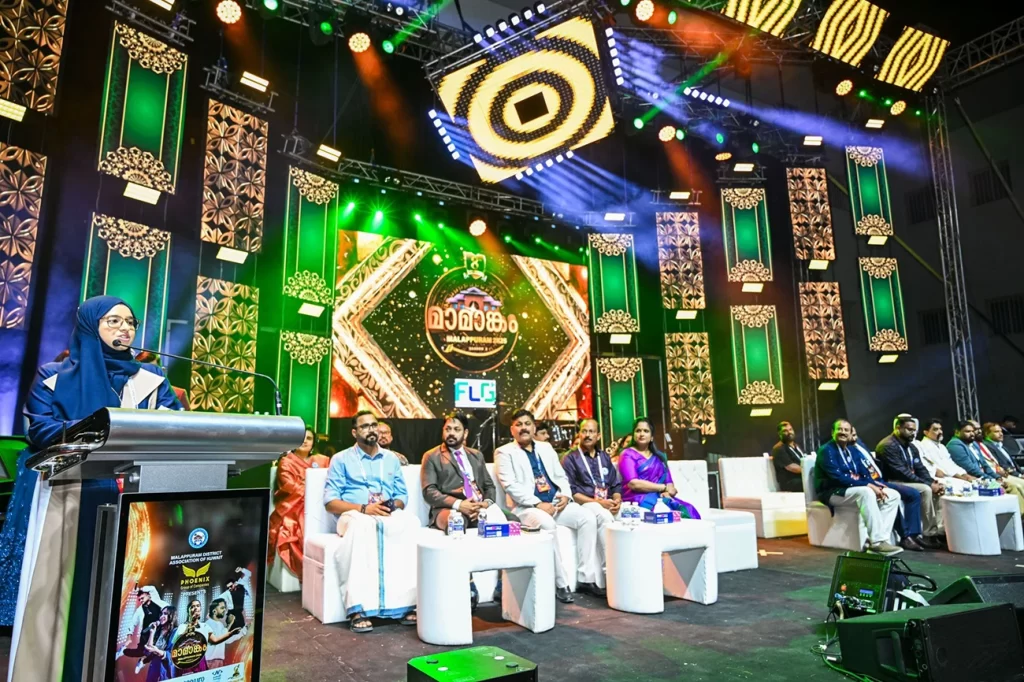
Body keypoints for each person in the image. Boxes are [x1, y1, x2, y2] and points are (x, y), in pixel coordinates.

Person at [5, 295, 183, 682]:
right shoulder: (53, 376)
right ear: (90, 325)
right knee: (66, 595)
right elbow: (40, 429)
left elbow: (177, 425)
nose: (125, 328)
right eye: (113, 321)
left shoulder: (151, 380)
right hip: (69, 497)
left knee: (124, 595)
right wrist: (106, 427)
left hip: (134, 502)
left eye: (131, 322)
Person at [323, 410, 419, 633]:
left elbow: (402, 496)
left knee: (410, 523)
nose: (371, 430)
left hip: (384, 513)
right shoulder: (341, 459)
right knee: (362, 525)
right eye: (365, 426)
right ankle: (357, 609)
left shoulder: (391, 459)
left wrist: (391, 505)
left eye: (374, 425)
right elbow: (330, 502)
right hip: (352, 515)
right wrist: (364, 508)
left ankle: (406, 605)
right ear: (354, 432)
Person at [496, 409, 603, 602]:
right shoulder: (504, 452)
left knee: (587, 518)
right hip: (526, 508)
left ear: (534, 427)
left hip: (555, 503)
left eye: (527, 424)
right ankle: (561, 584)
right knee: (547, 524)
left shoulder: (545, 448)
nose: (523, 428)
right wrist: (538, 503)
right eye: (518, 425)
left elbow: (561, 476)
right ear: (512, 430)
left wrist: (565, 496)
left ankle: (586, 579)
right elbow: (510, 485)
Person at [815, 420, 903, 555]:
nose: (843, 432)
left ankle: (879, 541)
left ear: (851, 434)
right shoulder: (826, 451)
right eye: (839, 429)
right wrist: (868, 485)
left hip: (851, 490)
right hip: (833, 492)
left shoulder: (852, 451)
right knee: (866, 492)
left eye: (846, 430)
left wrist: (875, 484)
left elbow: (864, 473)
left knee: (892, 495)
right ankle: (877, 542)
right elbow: (837, 478)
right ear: (833, 432)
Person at [561, 418, 621, 593]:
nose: (588, 435)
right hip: (585, 503)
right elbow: (572, 493)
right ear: (579, 434)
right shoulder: (570, 459)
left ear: (598, 435)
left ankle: (629, 571)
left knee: (633, 514)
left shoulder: (604, 457)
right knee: (603, 516)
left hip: (608, 502)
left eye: (591, 431)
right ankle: (610, 576)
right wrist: (600, 503)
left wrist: (617, 500)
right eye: (584, 431)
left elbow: (615, 485)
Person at [848, 426, 926, 552]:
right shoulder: (848, 450)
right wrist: (872, 483)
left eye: (855, 434)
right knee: (891, 495)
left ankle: (914, 534)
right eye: (851, 435)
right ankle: (905, 536)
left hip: (880, 480)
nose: (854, 438)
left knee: (913, 494)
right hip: (871, 482)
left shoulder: (859, 444)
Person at [268, 426, 330, 579]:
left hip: (320, 503)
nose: (305, 441)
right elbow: (289, 486)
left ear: (314, 442)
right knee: (300, 524)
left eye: (309, 438)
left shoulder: (323, 460)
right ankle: (310, 574)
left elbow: (330, 483)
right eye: (302, 438)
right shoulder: (286, 462)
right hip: (293, 505)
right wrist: (313, 489)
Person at [876, 416, 944, 548]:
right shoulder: (888, 445)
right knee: (926, 489)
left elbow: (920, 468)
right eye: (909, 430)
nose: (913, 433)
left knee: (939, 488)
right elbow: (901, 472)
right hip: (892, 481)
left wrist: (932, 482)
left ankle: (937, 530)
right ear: (898, 428)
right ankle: (927, 534)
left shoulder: (911, 447)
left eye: (914, 430)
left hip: (906, 480)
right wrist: (928, 485)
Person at [618, 417, 701, 518]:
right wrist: (663, 488)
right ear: (634, 434)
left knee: (689, 510)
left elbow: (669, 484)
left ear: (652, 437)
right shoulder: (627, 454)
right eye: (638, 431)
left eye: (646, 431)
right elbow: (633, 484)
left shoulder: (660, 457)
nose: (641, 434)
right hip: (637, 498)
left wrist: (668, 492)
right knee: (664, 511)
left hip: (659, 497)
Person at [947, 421, 1024, 512]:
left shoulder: (974, 444)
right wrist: (992, 480)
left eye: (972, 431)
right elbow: (971, 469)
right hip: (973, 479)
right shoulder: (955, 445)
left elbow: (985, 465)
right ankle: (1019, 515)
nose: (972, 434)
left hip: (985, 476)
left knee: (1013, 485)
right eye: (967, 431)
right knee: (1013, 487)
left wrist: (997, 477)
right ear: (957, 432)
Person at [115, 586, 170, 675]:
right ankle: (123, 651)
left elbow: (152, 588)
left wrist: (141, 589)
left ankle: (142, 661)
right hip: (146, 633)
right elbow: (132, 623)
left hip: (158, 632)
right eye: (139, 599)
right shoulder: (140, 610)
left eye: (142, 598)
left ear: (148, 595)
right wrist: (129, 636)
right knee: (140, 652)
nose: (141, 600)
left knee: (155, 652)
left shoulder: (156, 599)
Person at [916, 418, 975, 493]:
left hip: (950, 476)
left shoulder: (942, 446)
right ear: (926, 432)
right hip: (938, 478)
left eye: (940, 429)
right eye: (935, 429)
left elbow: (951, 464)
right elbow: (942, 469)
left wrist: (964, 474)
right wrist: (962, 477)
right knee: (964, 486)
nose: (940, 432)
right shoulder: (923, 446)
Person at [204, 598, 245, 669]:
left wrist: (243, 632)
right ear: (214, 611)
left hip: (219, 661)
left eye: (225, 608)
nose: (225, 610)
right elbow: (218, 639)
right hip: (210, 661)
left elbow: (226, 640)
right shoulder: (207, 624)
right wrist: (229, 624)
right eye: (222, 608)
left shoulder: (220, 624)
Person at [142, 606, 177, 682]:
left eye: (165, 614)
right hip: (154, 670)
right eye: (161, 614)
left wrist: (157, 651)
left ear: (171, 615)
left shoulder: (176, 632)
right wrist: (152, 632)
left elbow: (174, 655)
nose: (161, 616)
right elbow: (148, 651)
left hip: (166, 672)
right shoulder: (158, 631)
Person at [771, 421, 805, 492]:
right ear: (779, 434)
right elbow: (791, 467)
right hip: (790, 482)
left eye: (790, 429)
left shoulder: (797, 446)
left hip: (802, 478)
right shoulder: (778, 448)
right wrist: (809, 471)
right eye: (785, 431)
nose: (789, 432)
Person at [221, 566, 252, 630]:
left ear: (234, 583)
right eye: (228, 587)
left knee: (241, 629)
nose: (230, 588)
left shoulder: (241, 585)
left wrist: (241, 569)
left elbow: (249, 574)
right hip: (231, 614)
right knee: (231, 630)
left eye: (230, 586)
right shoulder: (228, 593)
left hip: (239, 614)